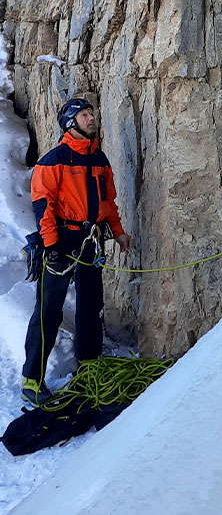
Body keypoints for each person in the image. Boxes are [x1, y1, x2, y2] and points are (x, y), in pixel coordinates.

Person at [21, 98, 133, 405]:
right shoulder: (53, 160)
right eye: (84, 115)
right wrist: (52, 244)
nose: (91, 118)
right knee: (48, 311)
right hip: (62, 240)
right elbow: (43, 204)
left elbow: (107, 202)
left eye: (92, 114)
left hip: (90, 239)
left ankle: (89, 367)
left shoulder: (100, 161)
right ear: (71, 123)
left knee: (91, 305)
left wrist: (119, 232)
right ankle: (32, 379)